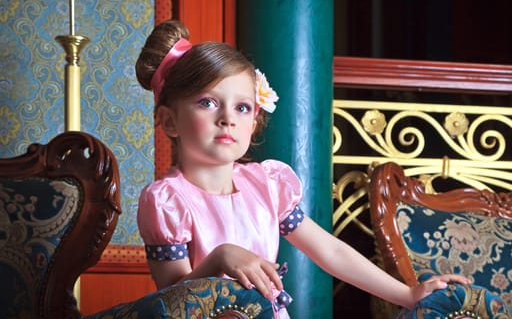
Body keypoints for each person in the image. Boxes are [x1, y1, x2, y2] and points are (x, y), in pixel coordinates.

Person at [135, 20, 470, 318]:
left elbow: (331, 250)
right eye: (207, 102)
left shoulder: (264, 185)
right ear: (169, 120)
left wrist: (408, 295)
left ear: (254, 121)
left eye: (242, 106)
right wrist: (220, 258)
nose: (227, 118)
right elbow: (171, 302)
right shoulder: (167, 202)